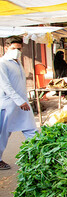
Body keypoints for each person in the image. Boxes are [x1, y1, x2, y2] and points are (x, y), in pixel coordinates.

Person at [0, 36, 38, 170]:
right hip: (8, 103)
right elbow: (6, 86)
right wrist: (19, 101)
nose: (17, 51)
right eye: (14, 49)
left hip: (22, 102)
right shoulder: (3, 63)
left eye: (19, 49)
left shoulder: (17, 62)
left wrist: (23, 100)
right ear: (6, 48)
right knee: (3, 133)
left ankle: (40, 151)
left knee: (31, 129)